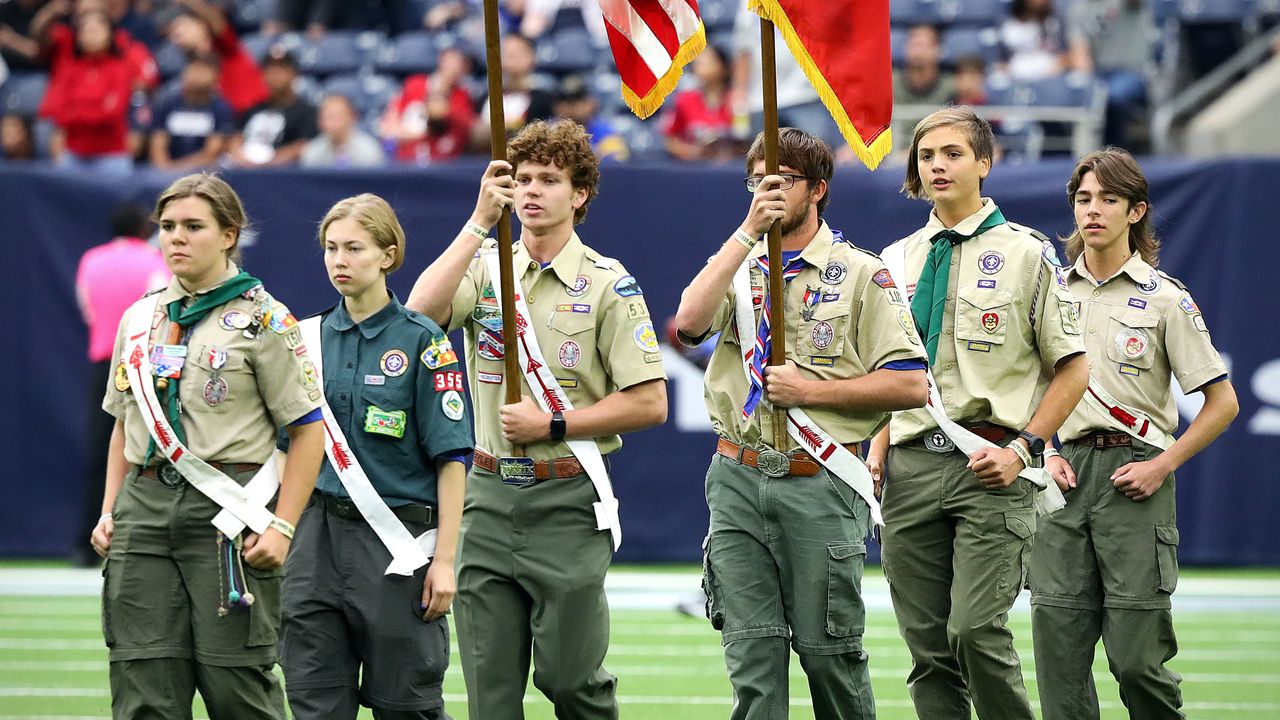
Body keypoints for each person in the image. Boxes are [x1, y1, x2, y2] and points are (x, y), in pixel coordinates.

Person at [405, 119, 668, 719]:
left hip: (567, 499)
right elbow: (419, 316)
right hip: (487, 497)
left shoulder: (607, 284)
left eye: (549, 179)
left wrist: (555, 427)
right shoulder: (486, 266)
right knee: (489, 694)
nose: (530, 190)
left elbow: (650, 402)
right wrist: (477, 222)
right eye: (521, 178)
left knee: (571, 681)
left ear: (579, 195)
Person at [673, 127, 928, 719]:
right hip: (737, 474)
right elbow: (687, 324)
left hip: (819, 476)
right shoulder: (739, 265)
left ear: (818, 189)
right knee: (751, 656)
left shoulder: (862, 273)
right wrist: (744, 235)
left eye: (783, 181)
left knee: (828, 655)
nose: (768, 193)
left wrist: (812, 390)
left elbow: (912, 382)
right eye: (757, 181)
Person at [868, 106, 1088, 720]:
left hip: (991, 464)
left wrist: (1024, 450)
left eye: (953, 153)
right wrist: (877, 451)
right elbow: (893, 372)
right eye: (926, 155)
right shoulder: (896, 259)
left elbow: (1073, 368)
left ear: (985, 162)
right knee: (928, 648)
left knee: (974, 630)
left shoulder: (1027, 254)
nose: (937, 165)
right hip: (910, 467)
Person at [90, 173, 325, 719]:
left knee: (235, 686)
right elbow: (124, 424)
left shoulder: (265, 319)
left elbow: (308, 430)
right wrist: (109, 509)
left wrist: (283, 526)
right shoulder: (140, 317)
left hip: (228, 512)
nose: (176, 238)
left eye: (193, 226)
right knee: (142, 680)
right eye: (167, 226)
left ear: (228, 234)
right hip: (144, 509)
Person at [1030, 148, 1239, 720]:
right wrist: (1043, 450)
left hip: (1134, 478)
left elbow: (1222, 403)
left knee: (1136, 659)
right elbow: (1026, 389)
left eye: (1108, 199)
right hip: (1061, 480)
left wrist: (1163, 464)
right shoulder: (1049, 291)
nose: (1092, 210)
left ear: (1136, 211)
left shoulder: (1165, 298)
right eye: (1083, 199)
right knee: (1058, 655)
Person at [278, 194, 472, 720]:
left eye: (354, 249)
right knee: (314, 704)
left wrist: (447, 562)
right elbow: (285, 452)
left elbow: (453, 459)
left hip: (395, 546)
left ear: (387, 256)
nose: (339, 260)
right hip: (313, 542)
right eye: (331, 248)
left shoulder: (422, 342)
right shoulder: (304, 341)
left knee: (405, 707)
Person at [73, 204, 169, 567]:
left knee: (101, 451)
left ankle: (87, 543)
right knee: (146, 448)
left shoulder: (91, 260)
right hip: (143, 364)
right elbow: (160, 311)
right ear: (145, 230)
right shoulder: (153, 260)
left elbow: (88, 310)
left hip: (104, 364)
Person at [38, 9, 135, 174]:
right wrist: (97, 108)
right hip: (73, 155)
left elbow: (114, 112)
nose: (92, 32)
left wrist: (76, 111)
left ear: (110, 34)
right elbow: (56, 111)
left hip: (112, 156)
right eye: (86, 28)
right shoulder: (68, 68)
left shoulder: (120, 68)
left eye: (97, 27)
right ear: (78, 36)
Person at [166, 0, 269, 117]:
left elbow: (216, 21)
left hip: (252, 110)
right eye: (173, 31)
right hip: (222, 120)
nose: (178, 34)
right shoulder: (190, 61)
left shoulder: (224, 47)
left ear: (202, 26)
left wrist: (190, 3)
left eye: (183, 26)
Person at [380, 45, 475, 165]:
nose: (456, 66)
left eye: (462, 62)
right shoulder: (414, 85)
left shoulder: (463, 96)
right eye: (452, 59)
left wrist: (445, 115)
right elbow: (387, 127)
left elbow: (463, 132)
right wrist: (421, 134)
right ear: (442, 59)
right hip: (405, 161)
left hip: (443, 163)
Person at [227, 45, 317, 168]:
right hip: (245, 171)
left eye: (281, 69)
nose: (275, 75)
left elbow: (303, 146)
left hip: (280, 176)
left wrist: (266, 164)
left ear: (294, 74)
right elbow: (236, 138)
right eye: (270, 69)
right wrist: (239, 156)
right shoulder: (253, 109)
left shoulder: (307, 111)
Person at [148, 53, 235, 170]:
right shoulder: (168, 104)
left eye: (202, 70)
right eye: (193, 69)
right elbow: (157, 145)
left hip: (204, 173)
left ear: (215, 76)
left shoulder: (221, 109)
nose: (196, 76)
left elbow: (212, 152)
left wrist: (178, 169)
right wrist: (166, 169)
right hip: (166, 172)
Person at [663, 44, 737, 163]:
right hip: (694, 168)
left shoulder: (736, 101)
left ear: (723, 66)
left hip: (728, 167)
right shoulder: (684, 100)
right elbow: (670, 141)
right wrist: (694, 152)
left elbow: (744, 139)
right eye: (698, 61)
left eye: (708, 60)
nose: (700, 65)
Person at [301, 94, 386, 168]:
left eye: (336, 117)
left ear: (352, 117)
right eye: (327, 117)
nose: (331, 123)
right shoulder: (312, 151)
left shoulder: (368, 150)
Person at [999, 0, 1069, 82]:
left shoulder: (1057, 23)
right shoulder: (1009, 27)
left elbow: (1067, 56)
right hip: (1016, 80)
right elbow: (1000, 64)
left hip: (1051, 80)